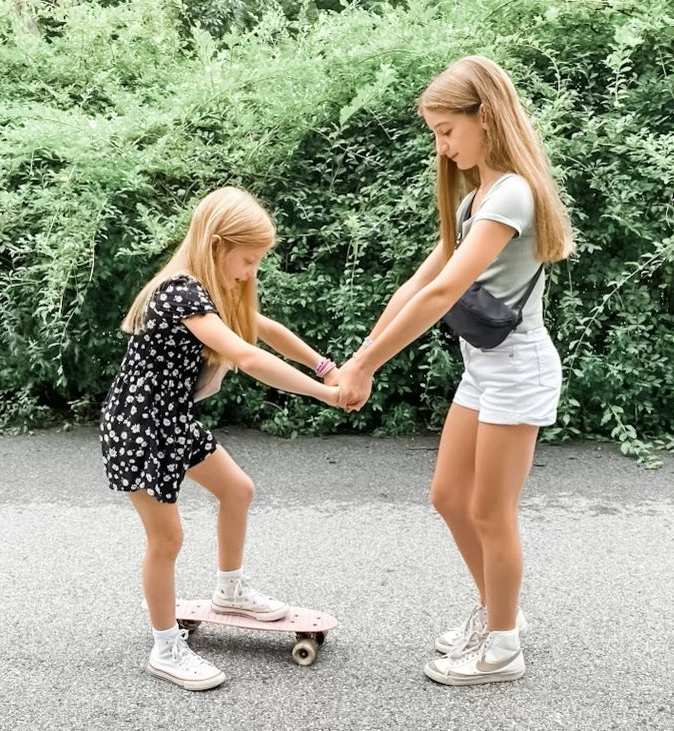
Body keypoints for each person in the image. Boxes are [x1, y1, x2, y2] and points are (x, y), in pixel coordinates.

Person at [337, 55, 574, 686]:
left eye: (447, 130)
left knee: (492, 511)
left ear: (485, 118)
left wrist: (364, 368)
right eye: (436, 133)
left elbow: (443, 296)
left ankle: (502, 648)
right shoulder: (477, 197)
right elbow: (417, 284)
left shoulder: (513, 195)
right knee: (448, 496)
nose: (441, 147)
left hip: (518, 371)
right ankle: (499, 612)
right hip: (484, 371)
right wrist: (360, 357)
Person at [100, 187, 342, 691]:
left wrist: (323, 365)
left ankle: (229, 590)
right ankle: (166, 647)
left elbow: (265, 329)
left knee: (237, 489)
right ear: (216, 245)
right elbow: (250, 358)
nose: (250, 272)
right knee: (166, 539)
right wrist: (324, 394)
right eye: (248, 259)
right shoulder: (180, 292)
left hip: (170, 420)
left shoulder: (207, 291)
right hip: (140, 427)